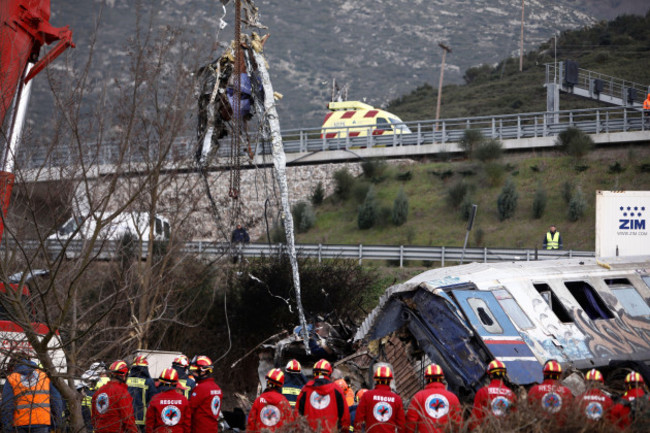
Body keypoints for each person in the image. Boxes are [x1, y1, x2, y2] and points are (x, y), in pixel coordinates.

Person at [1, 355, 63, 433]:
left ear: (13, 365)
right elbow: (56, 401)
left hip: (19, 425)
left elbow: (7, 406)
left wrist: (7, 427)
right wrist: (57, 423)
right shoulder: (44, 376)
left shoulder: (12, 378)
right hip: (42, 422)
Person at [296, 359, 350, 433]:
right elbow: (345, 417)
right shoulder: (336, 390)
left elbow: (297, 415)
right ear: (329, 373)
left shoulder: (306, 390)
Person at [405, 364, 462, 433]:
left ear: (426, 379)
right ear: (441, 378)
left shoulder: (418, 396)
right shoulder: (452, 397)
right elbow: (458, 423)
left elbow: (411, 422)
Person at [354, 365, 405, 433]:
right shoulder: (397, 399)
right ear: (390, 381)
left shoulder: (367, 396)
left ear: (375, 379)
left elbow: (358, 419)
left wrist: (357, 430)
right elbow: (401, 424)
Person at [91, 360, 138, 433]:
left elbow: (94, 418)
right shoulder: (122, 393)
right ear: (124, 376)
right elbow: (128, 420)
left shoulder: (98, 392)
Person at [469, 360, 516, 429]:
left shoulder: (483, 392)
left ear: (490, 375)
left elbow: (475, 418)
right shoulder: (511, 394)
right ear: (503, 374)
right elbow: (514, 418)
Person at [246, 368, 294, 433]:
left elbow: (251, 423)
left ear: (267, 382)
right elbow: (290, 424)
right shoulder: (284, 402)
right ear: (280, 385)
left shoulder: (259, 400)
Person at [145, 368, 191, 433]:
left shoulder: (155, 399)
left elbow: (149, 423)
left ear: (160, 382)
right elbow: (187, 424)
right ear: (175, 383)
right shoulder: (183, 400)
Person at [188, 355, 222, 433]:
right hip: (212, 428)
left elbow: (190, 409)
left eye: (195, 371)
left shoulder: (201, 388)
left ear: (203, 371)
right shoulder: (217, 388)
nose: (193, 374)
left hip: (200, 429)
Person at [127, 355, 158, 433]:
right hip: (143, 419)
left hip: (127, 418)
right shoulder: (148, 381)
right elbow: (153, 400)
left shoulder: (126, 380)